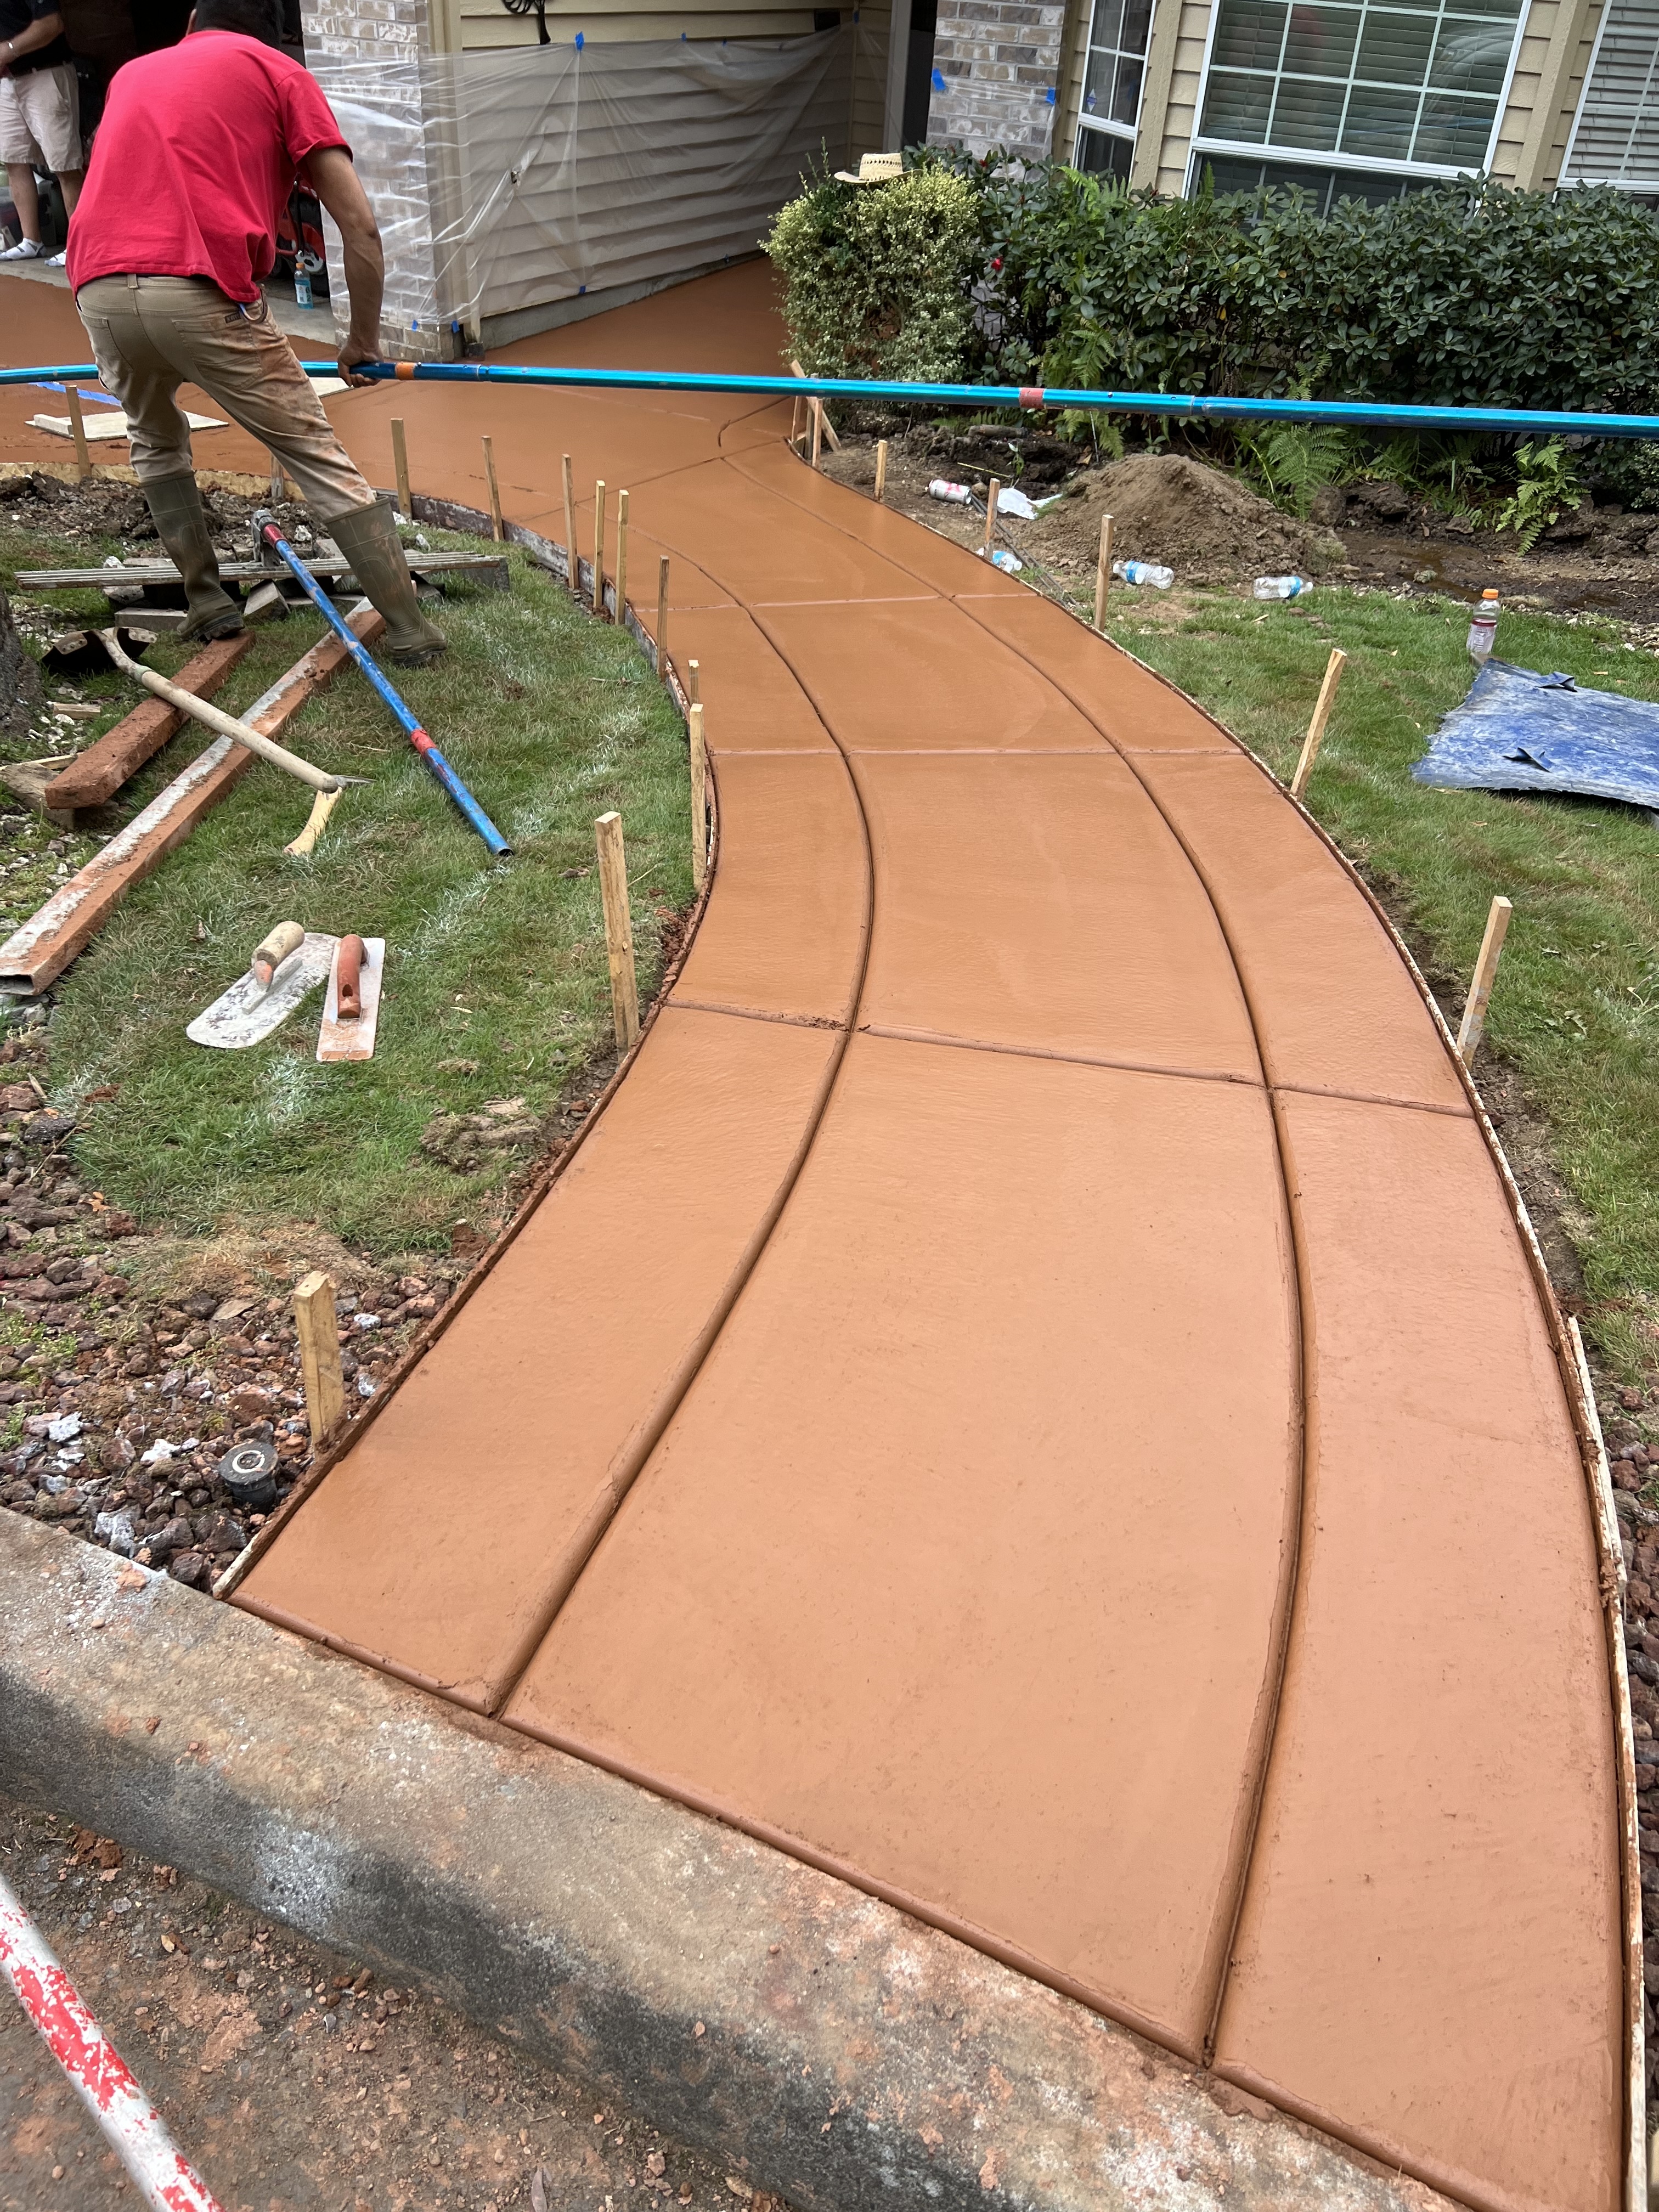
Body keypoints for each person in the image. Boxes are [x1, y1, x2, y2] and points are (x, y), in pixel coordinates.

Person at [64, 0, 442, 661]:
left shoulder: (133, 73)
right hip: (197, 285)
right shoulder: (275, 71)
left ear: (191, 22)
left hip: (95, 284)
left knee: (154, 440)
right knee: (314, 454)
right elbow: (361, 227)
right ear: (267, 33)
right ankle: (412, 632)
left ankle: (208, 603)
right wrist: (360, 343)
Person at [0, 0, 84, 267]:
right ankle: (31, 241)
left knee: (65, 164)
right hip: (7, 80)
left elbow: (51, 24)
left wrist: (8, 51)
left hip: (46, 73)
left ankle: (80, 245)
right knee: (15, 161)